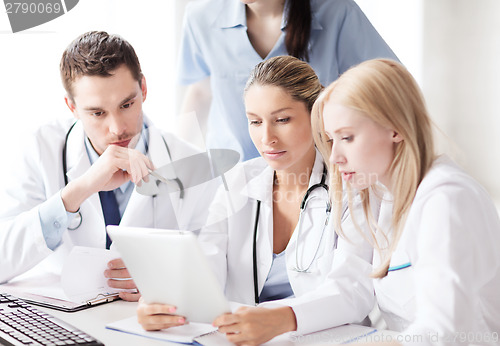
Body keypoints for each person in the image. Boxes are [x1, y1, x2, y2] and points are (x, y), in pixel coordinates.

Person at [137, 56, 375, 345]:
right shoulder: (237, 181)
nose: (266, 138)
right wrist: (168, 302)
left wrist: (281, 318)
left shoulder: (351, 186)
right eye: (255, 122)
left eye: (282, 120)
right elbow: (206, 263)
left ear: (317, 116)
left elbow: (353, 291)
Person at [0, 31, 215, 301]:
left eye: (127, 104)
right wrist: (77, 192)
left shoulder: (195, 167)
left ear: (144, 89)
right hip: (63, 318)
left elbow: (218, 272)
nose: (117, 129)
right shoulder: (39, 149)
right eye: (97, 113)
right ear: (72, 107)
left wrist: (163, 278)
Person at [312, 58, 500, 345]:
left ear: (395, 128)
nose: (335, 157)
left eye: (347, 137)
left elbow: (445, 330)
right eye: (331, 140)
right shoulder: (383, 194)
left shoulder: (446, 199)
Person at [177, 0, 398, 161]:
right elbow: (201, 91)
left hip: (315, 171)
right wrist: (175, 160)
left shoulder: (337, 12)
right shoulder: (200, 17)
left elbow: (389, 84)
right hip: (233, 173)